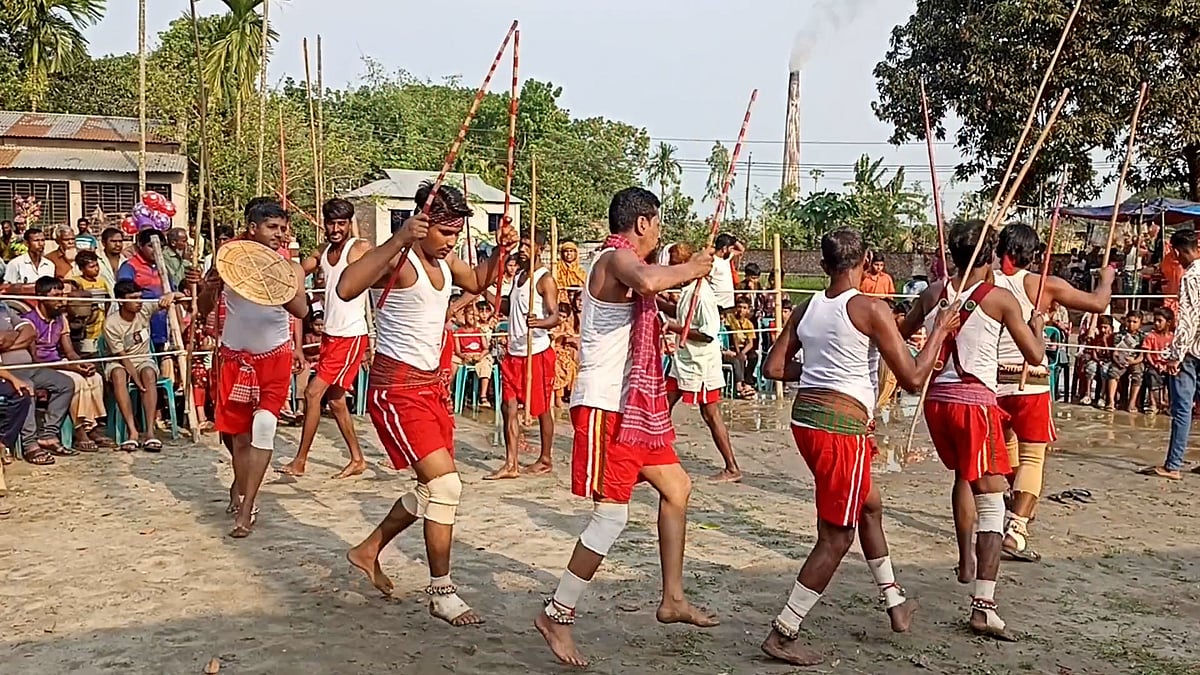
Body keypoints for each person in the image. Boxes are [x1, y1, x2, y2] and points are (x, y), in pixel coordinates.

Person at [757, 230, 957, 666]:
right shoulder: (871, 308)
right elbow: (913, 378)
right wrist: (940, 330)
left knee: (869, 505)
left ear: (823, 265)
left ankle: (894, 601)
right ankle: (783, 632)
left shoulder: (806, 307)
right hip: (840, 428)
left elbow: (773, 367)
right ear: (866, 260)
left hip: (807, 420)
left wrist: (818, 369)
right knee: (837, 536)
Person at [536, 188, 717, 668]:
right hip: (605, 407)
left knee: (677, 487)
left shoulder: (626, 264)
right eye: (657, 224)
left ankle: (672, 598)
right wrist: (692, 268)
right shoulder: (616, 258)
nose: (658, 233)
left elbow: (651, 290)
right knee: (611, 518)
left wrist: (681, 293)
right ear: (642, 223)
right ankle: (557, 614)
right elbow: (648, 280)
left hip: (634, 409)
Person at [339, 181, 514, 626]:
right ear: (422, 223)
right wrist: (400, 237)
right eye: (445, 232)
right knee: (446, 488)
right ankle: (441, 592)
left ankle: (368, 549)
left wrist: (500, 251)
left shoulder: (444, 260)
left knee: (429, 489)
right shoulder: (400, 259)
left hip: (431, 388)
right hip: (397, 390)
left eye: (456, 233)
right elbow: (345, 288)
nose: (451, 241)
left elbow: (478, 281)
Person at [900, 219, 1045, 640]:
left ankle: (967, 562)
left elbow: (901, 333)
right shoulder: (999, 298)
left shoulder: (934, 293)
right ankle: (984, 606)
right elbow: (1035, 354)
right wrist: (1037, 326)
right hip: (974, 404)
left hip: (937, 403)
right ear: (990, 256)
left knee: (967, 477)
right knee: (993, 501)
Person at [990, 223, 1113, 563]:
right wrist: (1106, 278)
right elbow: (1098, 303)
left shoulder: (984, 282)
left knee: (1009, 452)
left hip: (993, 380)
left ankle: (1013, 510)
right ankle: (1016, 529)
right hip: (1029, 380)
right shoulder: (1042, 285)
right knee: (1031, 456)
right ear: (1032, 255)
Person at [197, 199, 309, 537]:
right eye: (272, 227)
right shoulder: (227, 261)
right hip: (234, 358)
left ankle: (248, 506)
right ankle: (240, 483)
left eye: (283, 229)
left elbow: (302, 310)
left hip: (274, 358)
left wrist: (276, 283)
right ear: (252, 228)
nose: (279, 234)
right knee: (238, 437)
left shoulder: (290, 268)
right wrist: (209, 286)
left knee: (264, 428)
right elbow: (203, 309)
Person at [278, 199, 373, 479]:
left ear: (349, 224)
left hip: (351, 334)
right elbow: (297, 271)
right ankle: (357, 459)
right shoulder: (322, 251)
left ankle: (300, 461)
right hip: (330, 335)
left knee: (312, 392)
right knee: (337, 401)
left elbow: (385, 262)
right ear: (324, 224)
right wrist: (285, 257)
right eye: (331, 223)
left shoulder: (360, 248)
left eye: (341, 223)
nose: (335, 229)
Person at [662, 242, 740, 482]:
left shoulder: (703, 294)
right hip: (683, 361)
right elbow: (682, 313)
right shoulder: (689, 289)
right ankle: (653, 456)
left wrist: (672, 327)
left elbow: (707, 333)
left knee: (710, 414)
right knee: (662, 406)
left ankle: (732, 467)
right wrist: (652, 301)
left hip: (701, 364)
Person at [490, 230, 560, 479]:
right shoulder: (519, 275)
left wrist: (539, 322)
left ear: (540, 249)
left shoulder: (545, 279)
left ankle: (545, 458)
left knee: (542, 408)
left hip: (536, 352)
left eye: (528, 245)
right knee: (508, 406)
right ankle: (511, 463)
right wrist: (484, 292)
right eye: (522, 244)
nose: (522, 249)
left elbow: (555, 317)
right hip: (514, 351)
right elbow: (509, 307)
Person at [24, 276, 109, 452]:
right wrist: (69, 367)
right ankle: (80, 432)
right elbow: (34, 360)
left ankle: (91, 427)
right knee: (76, 381)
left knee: (94, 377)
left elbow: (69, 352)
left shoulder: (61, 318)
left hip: (59, 362)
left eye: (62, 295)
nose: (61, 301)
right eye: (56, 296)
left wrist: (81, 364)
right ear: (41, 297)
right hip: (42, 367)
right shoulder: (29, 321)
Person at [1143, 229, 1200, 480]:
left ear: (1176, 252)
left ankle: (1173, 464)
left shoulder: (1191, 277)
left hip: (1191, 350)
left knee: (1182, 408)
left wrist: (1175, 354)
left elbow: (1188, 319)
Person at [106, 280, 179, 452]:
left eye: (140, 297)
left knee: (148, 373)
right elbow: (122, 357)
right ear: (121, 301)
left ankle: (150, 433)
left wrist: (171, 295)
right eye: (133, 298)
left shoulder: (145, 308)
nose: (138, 301)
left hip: (144, 359)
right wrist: (136, 380)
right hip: (120, 361)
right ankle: (132, 432)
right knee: (118, 374)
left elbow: (179, 296)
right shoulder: (111, 323)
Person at [0, 300, 73, 464]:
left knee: (65, 383)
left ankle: (48, 435)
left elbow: (30, 332)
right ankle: (30, 444)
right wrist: (15, 335)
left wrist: (8, 343)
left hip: (29, 367)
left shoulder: (4, 307)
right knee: (27, 388)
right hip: (8, 371)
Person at [118, 229, 170, 352]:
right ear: (140, 246)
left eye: (160, 247)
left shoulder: (163, 268)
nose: (156, 250)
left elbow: (172, 291)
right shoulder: (130, 266)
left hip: (161, 321)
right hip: (139, 319)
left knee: (161, 353)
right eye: (151, 246)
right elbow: (124, 290)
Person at [67, 250, 111, 356]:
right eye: (91, 267)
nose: (96, 269)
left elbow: (108, 300)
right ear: (82, 269)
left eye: (97, 265)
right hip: (85, 327)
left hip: (100, 325)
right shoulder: (77, 282)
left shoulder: (102, 281)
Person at [1107, 310, 1145, 411]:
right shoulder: (1119, 336)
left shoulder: (1142, 337)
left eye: (1134, 322)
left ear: (1140, 323)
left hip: (1135, 361)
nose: (1131, 324)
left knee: (1138, 374)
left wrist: (1133, 361)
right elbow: (1114, 353)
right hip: (1120, 360)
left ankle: (1132, 403)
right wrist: (1118, 361)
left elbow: (1142, 356)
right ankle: (1111, 402)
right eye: (1129, 321)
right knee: (1113, 372)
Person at [723, 296, 759, 398]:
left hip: (744, 347)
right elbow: (733, 336)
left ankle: (748, 382)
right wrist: (739, 353)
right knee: (738, 359)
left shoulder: (749, 324)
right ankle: (739, 385)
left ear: (748, 310)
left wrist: (743, 352)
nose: (741, 310)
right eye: (739, 307)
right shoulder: (730, 319)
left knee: (753, 356)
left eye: (744, 308)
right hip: (732, 346)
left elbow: (750, 343)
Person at [1141, 307, 1174, 414]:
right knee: (1152, 376)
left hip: (1169, 366)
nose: (1156, 323)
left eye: (1160, 321)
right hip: (1154, 365)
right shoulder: (1151, 336)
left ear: (1168, 322)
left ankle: (1169, 405)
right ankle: (1153, 404)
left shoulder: (1173, 338)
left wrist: (1167, 366)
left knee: (1174, 379)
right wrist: (1155, 365)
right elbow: (1147, 354)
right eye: (1155, 320)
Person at [1075, 316, 1114, 405]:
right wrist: (1098, 361)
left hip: (1108, 361)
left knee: (1105, 370)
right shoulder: (1096, 338)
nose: (1103, 330)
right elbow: (1094, 353)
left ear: (1111, 328)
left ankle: (1102, 396)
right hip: (1097, 360)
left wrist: (1105, 342)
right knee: (1090, 367)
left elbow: (1110, 354)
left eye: (1105, 327)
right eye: (1101, 327)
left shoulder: (1112, 338)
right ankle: (1087, 395)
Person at [710, 233, 741, 312]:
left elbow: (741, 250)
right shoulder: (712, 261)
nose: (732, 251)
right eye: (731, 248)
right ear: (724, 248)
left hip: (729, 304)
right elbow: (707, 279)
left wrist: (733, 240)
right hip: (717, 304)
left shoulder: (726, 259)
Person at [97, 227, 128, 293]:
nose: (118, 244)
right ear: (103, 243)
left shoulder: (127, 262)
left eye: (120, 241)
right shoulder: (95, 261)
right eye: (113, 241)